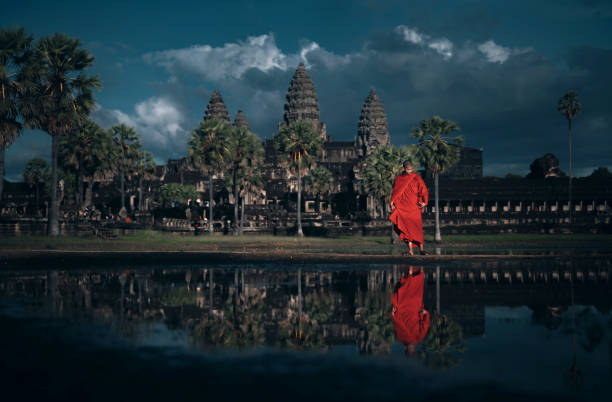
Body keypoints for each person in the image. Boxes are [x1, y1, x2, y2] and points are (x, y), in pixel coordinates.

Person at [389, 159, 429, 255]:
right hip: (403, 207)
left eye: (411, 169)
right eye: (408, 170)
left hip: (414, 207)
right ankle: (410, 251)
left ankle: (421, 250)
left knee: (418, 228)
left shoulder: (416, 178)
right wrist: (392, 202)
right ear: (404, 168)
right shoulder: (399, 179)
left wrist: (424, 202)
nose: (410, 172)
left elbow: (423, 190)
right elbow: (395, 192)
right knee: (407, 230)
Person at [391, 266, 430, 355]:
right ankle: (422, 264)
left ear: (406, 349)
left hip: (403, 309)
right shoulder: (419, 338)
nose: (411, 347)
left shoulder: (400, 338)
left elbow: (398, 324)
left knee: (405, 289)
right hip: (415, 308)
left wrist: (394, 314)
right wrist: (426, 314)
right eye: (412, 349)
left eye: (409, 349)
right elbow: (425, 325)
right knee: (419, 284)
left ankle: (411, 269)